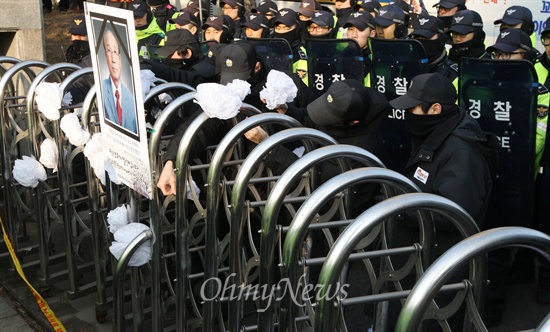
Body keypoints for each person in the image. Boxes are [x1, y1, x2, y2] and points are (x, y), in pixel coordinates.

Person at [389, 73, 498, 330]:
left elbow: (452, 212)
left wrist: (400, 208)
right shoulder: (437, 132)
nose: (407, 114)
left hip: (442, 264)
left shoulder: (461, 152)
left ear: (435, 108)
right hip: (423, 255)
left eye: (413, 108)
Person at [482, 27, 549, 327]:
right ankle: (519, 267)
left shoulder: (537, 87)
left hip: (526, 169)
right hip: (495, 164)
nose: (501, 58)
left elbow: (536, 137)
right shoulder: (486, 78)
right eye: (497, 53)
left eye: (509, 53)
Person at [101, 29, 138, 134]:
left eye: (115, 52)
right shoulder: (100, 89)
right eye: (109, 51)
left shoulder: (131, 98)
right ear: (105, 56)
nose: (113, 59)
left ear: (121, 59)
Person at [409, 14, 458, 83]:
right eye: (417, 37)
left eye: (426, 38)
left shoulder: (452, 74)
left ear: (441, 40)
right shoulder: (407, 68)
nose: (420, 41)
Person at [272, 8, 309, 85]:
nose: (282, 32)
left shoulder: (302, 52)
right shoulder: (269, 48)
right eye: (278, 28)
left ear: (296, 29)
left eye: (287, 28)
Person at [344, 11, 377, 84]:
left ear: (372, 33)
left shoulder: (378, 59)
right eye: (350, 29)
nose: (353, 35)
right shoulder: (340, 55)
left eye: (360, 30)